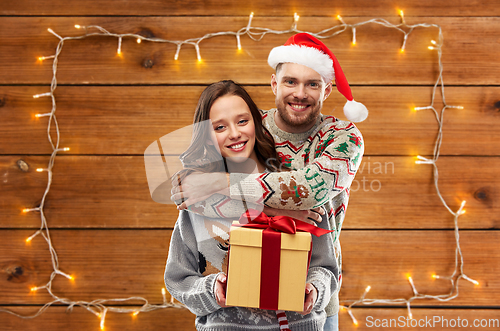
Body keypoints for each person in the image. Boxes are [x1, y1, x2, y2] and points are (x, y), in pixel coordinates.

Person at [171, 33, 367, 331]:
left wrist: (219, 182)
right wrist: (278, 213)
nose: (299, 93)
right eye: (290, 81)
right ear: (274, 84)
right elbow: (190, 191)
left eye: (312, 84)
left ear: (327, 89)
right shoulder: (248, 127)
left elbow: (310, 191)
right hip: (232, 312)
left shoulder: (342, 137)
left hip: (310, 299)